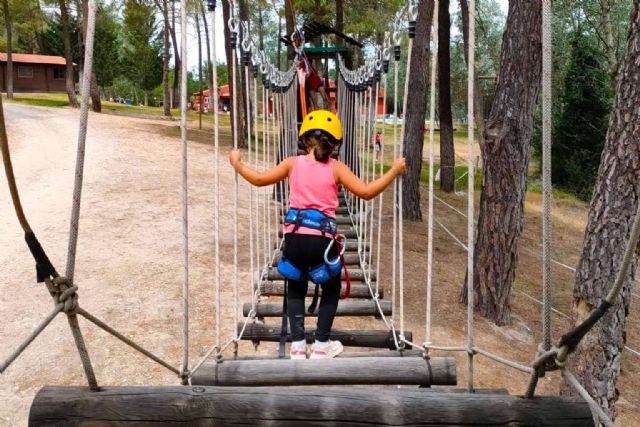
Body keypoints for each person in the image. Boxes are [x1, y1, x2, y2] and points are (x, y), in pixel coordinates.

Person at [229, 110, 406, 359]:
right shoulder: (337, 168)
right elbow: (366, 192)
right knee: (331, 289)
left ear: (305, 139)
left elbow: (259, 180)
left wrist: (237, 163)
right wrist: (394, 171)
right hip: (323, 242)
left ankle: (299, 347)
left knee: (296, 286)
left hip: (295, 240)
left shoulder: (292, 163)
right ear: (334, 144)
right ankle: (321, 345)